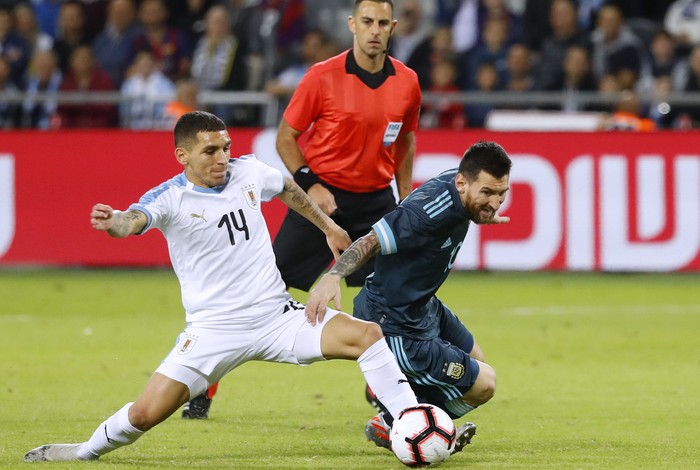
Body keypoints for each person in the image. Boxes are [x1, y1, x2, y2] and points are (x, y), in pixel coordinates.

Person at [23, 111, 420, 462]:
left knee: (367, 335)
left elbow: (286, 187)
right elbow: (133, 221)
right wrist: (114, 224)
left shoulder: (247, 171)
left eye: (226, 148)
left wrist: (329, 226)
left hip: (276, 318)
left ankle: (414, 425)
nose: (222, 158)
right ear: (183, 157)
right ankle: (82, 450)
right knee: (144, 414)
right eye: (210, 151)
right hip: (212, 331)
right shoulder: (171, 197)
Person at [305, 140, 512, 453]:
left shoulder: (459, 186)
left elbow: (473, 202)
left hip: (422, 306)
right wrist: (333, 276)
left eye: (501, 194)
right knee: (485, 385)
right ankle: (402, 424)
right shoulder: (425, 213)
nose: (495, 203)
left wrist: (482, 209)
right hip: (395, 323)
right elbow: (371, 240)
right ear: (461, 182)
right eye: (487, 193)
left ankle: (393, 398)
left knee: (476, 359)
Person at [273, 0, 422, 293]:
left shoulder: (408, 82)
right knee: (273, 284)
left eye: (382, 23)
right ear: (353, 24)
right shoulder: (321, 76)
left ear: (392, 28)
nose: (374, 31)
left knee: (394, 290)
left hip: (376, 203)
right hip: (323, 199)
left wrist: (405, 197)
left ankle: (377, 340)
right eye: (367, 22)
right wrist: (310, 184)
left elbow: (405, 138)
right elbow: (285, 138)